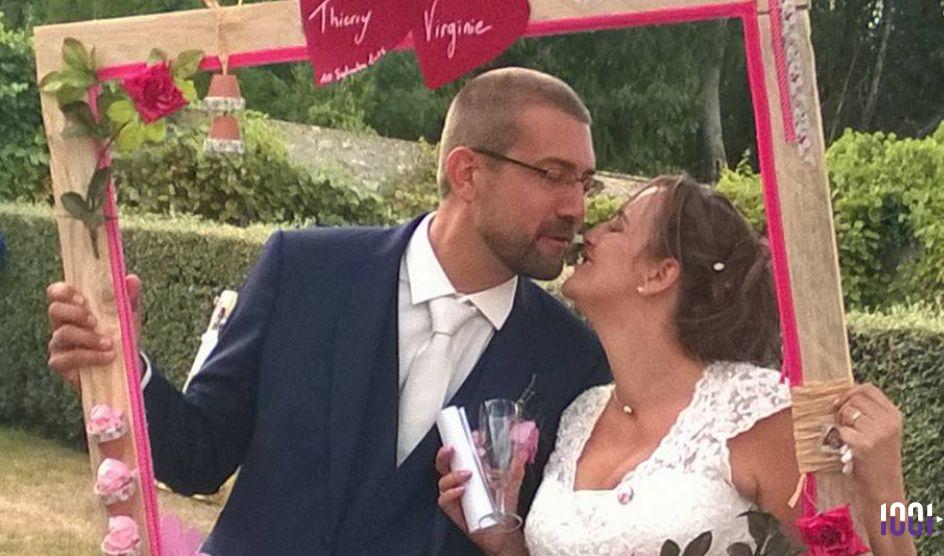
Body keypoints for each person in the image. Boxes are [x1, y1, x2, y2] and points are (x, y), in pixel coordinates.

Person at [45, 68, 611, 555]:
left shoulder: (575, 359)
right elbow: (199, 457)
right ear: (467, 173)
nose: (576, 207)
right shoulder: (304, 271)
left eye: (585, 182)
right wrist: (121, 372)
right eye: (553, 175)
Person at [437, 175, 916, 555]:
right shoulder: (581, 415)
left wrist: (886, 486)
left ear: (660, 274)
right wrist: (504, 543)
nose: (590, 232)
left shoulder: (758, 414)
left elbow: (849, 549)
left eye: (618, 225)